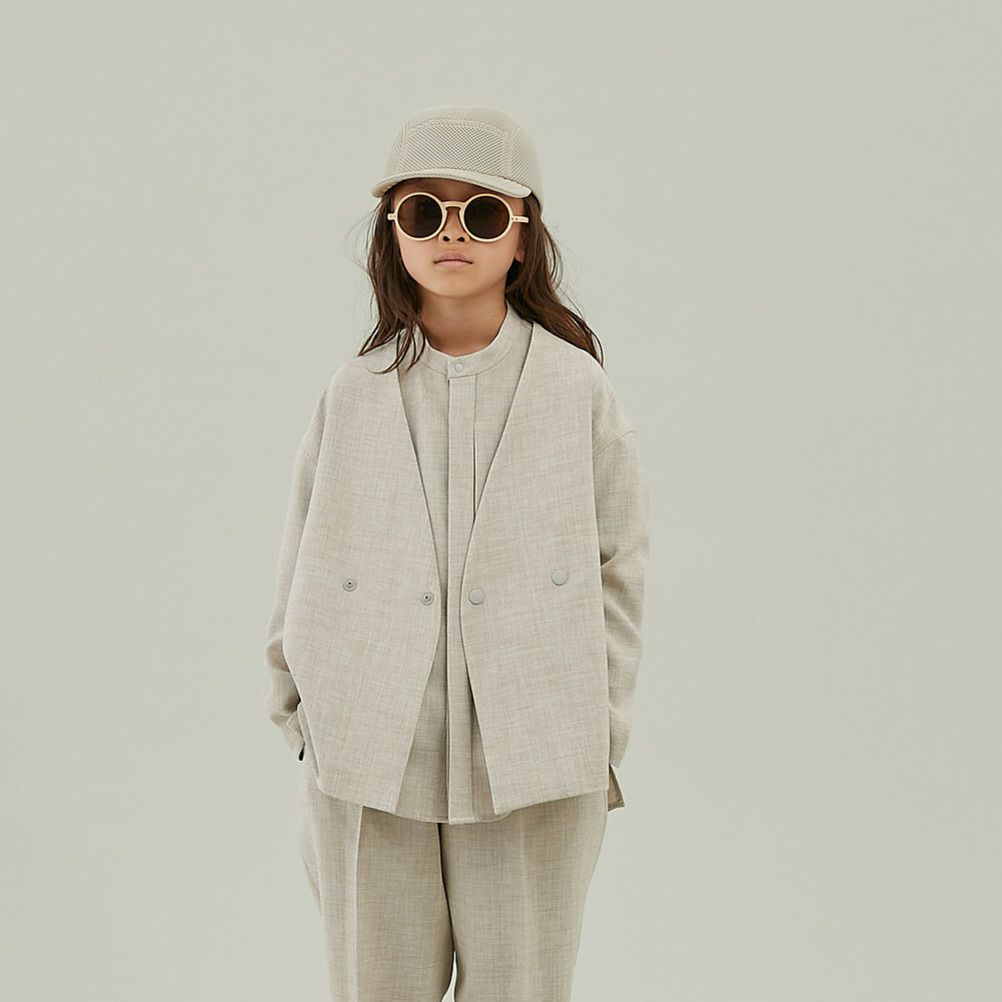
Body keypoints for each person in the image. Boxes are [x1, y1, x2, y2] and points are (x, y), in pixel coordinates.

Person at [263, 103, 649, 1002]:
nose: (450, 233)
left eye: (479, 212)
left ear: (522, 236)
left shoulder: (577, 390)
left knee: (522, 988)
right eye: (422, 211)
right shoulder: (353, 392)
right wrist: (302, 716)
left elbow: (620, 570)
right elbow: (303, 553)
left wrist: (596, 730)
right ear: (392, 232)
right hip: (366, 751)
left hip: (537, 753)